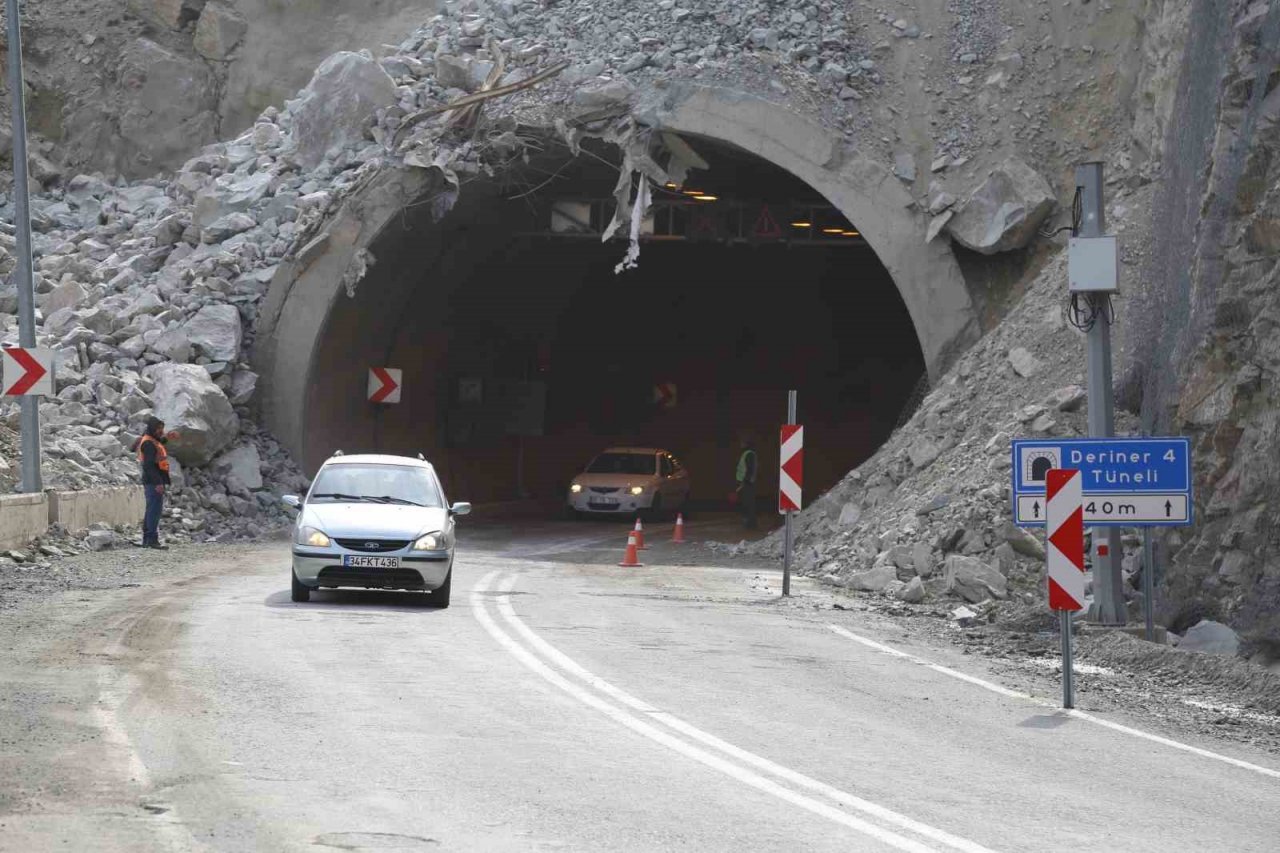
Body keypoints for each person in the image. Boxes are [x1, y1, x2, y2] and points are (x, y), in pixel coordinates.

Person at [133, 417, 178, 550]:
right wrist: (158, 483)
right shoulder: (148, 443)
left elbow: (159, 442)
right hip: (153, 482)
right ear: (152, 428)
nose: (161, 431)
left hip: (152, 481)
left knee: (151, 509)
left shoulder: (151, 439)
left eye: (162, 429)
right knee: (154, 511)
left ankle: (147, 540)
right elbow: (149, 466)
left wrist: (168, 437)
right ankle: (152, 540)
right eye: (158, 429)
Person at [735, 435, 758, 530]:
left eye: (742, 442)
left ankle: (750, 525)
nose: (740, 444)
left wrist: (744, 482)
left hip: (747, 483)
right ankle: (749, 524)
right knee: (747, 504)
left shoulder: (749, 454)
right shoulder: (747, 453)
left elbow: (749, 469)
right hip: (746, 482)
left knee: (748, 504)